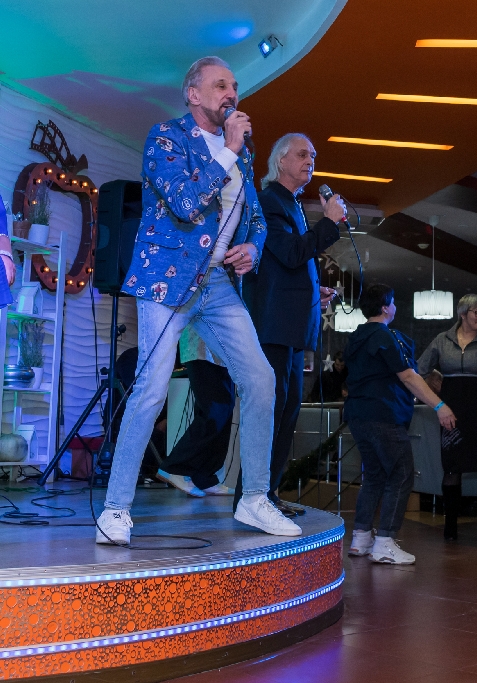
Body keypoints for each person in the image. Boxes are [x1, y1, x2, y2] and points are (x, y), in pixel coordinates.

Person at [95, 56, 299, 545]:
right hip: (167, 281)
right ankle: (115, 509)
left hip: (218, 284)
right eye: (220, 84)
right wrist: (228, 149)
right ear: (193, 94)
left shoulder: (241, 154)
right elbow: (186, 203)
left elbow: (254, 216)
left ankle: (254, 499)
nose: (232, 93)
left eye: (235, 85)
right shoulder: (167, 138)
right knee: (151, 388)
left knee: (261, 379)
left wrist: (253, 246)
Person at [239, 133, 345, 515]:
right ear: (280, 160)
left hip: (291, 328)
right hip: (273, 326)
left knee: (287, 413)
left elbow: (291, 265)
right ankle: (251, 497)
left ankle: (267, 494)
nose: (310, 161)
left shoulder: (294, 205)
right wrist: (328, 223)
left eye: (313, 155)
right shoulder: (269, 201)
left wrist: (315, 292)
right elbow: (289, 253)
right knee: (271, 412)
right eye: (302, 154)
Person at [345, 284, 455, 564]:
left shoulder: (356, 336)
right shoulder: (384, 335)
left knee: (374, 475)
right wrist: (439, 405)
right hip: (383, 414)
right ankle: (385, 542)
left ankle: (361, 537)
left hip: (358, 415)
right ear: (385, 307)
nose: (395, 307)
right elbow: (408, 376)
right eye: (392, 302)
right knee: (402, 474)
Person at [417, 294, 477, 542]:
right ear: (463, 314)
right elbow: (419, 370)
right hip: (453, 411)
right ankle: (450, 527)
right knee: (452, 467)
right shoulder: (442, 340)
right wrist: (433, 395)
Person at [158, 327, 236, 497]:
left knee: (223, 409)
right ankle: (175, 467)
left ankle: (204, 477)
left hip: (222, 347)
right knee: (215, 410)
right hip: (202, 344)